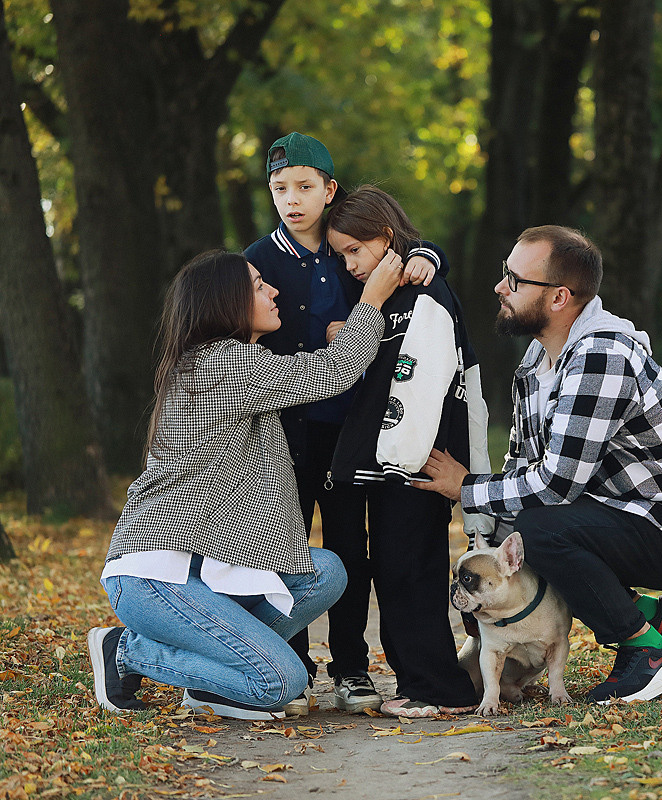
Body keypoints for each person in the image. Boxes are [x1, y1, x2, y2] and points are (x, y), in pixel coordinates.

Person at [417, 225, 662, 705]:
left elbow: (555, 484)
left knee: (544, 529)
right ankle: (645, 612)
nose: (499, 287)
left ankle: (646, 650)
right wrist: (485, 540)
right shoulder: (536, 362)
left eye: (514, 279)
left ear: (559, 297)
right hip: (631, 513)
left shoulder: (601, 356)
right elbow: (523, 463)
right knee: (532, 528)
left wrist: (466, 487)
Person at [88, 248, 405, 719]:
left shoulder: (232, 362)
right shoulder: (221, 364)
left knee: (325, 571)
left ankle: (215, 681)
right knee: (283, 681)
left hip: (208, 568)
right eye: (259, 285)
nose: (273, 290)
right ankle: (125, 652)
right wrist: (372, 300)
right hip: (158, 576)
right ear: (226, 302)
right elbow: (331, 372)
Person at [244, 132, 442, 715]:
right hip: (286, 430)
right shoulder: (257, 260)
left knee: (349, 547)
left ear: (330, 191)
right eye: (280, 188)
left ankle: (352, 666)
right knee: (284, 547)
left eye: (305, 186)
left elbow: (414, 247)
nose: (292, 199)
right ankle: (295, 664)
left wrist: (428, 257)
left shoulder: (347, 246)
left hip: (356, 428)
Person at [325, 186, 493, 718]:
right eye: (342, 255)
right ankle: (418, 681)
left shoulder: (425, 292)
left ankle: (440, 688)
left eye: (355, 250)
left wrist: (413, 451)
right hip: (390, 460)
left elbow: (427, 381)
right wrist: (348, 334)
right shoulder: (385, 299)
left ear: (387, 238)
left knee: (411, 569)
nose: (350, 264)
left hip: (414, 460)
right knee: (396, 568)